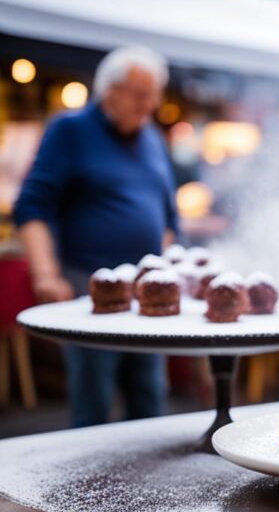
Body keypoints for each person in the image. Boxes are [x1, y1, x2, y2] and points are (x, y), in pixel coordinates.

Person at [13, 46, 178, 427]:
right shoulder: (70, 130)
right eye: (141, 94)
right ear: (110, 91)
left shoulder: (152, 137)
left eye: (155, 93)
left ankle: (151, 486)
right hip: (90, 288)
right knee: (95, 400)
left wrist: (165, 271)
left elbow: (168, 216)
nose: (151, 104)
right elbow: (33, 205)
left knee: (151, 397)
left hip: (145, 297)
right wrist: (45, 274)